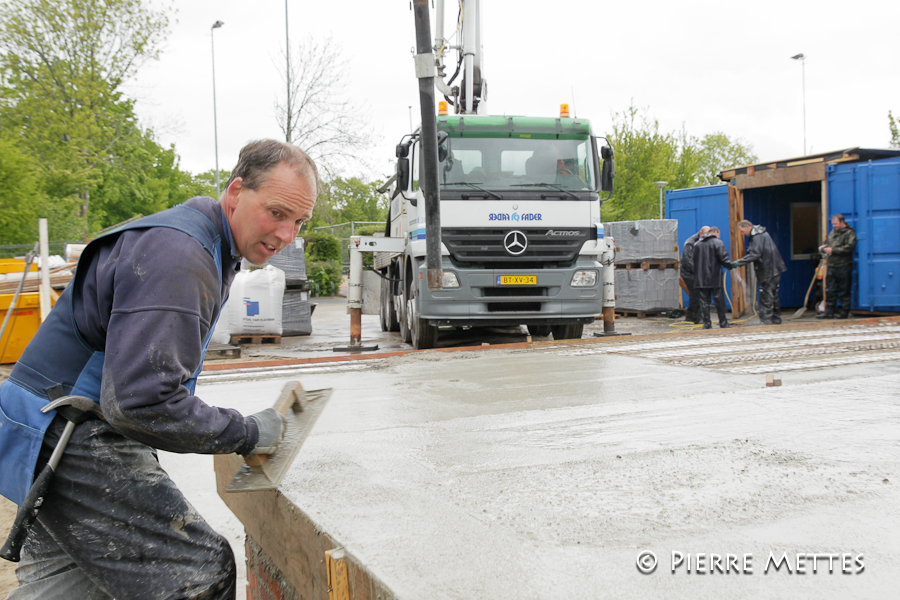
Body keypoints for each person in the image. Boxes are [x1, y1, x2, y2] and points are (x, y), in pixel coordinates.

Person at [0, 139, 318, 599]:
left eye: (299, 222)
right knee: (199, 573)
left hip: (46, 424)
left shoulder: (202, 243)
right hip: (68, 437)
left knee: (70, 584)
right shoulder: (181, 257)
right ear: (236, 192)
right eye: (276, 213)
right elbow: (141, 401)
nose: (287, 234)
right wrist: (247, 433)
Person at [730, 220, 787, 325]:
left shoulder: (757, 236)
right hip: (775, 267)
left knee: (766, 295)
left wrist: (737, 263)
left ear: (747, 227)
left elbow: (755, 254)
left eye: (742, 231)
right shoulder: (762, 233)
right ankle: (776, 318)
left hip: (768, 268)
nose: (743, 234)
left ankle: (766, 320)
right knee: (773, 294)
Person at [692, 226, 734, 329]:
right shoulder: (718, 243)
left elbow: (694, 261)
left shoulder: (697, 244)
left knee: (704, 301)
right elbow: (724, 259)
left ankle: (706, 323)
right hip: (715, 277)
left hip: (701, 278)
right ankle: (723, 323)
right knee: (719, 301)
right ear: (716, 232)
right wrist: (731, 266)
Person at [817, 214, 857, 319]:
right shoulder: (833, 232)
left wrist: (833, 250)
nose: (834, 225)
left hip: (844, 266)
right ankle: (829, 311)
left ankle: (844, 312)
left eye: (836, 223)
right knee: (830, 289)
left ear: (842, 222)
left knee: (844, 290)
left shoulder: (849, 233)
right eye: (833, 224)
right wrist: (823, 247)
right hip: (831, 265)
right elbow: (828, 243)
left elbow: (849, 248)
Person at [680, 225, 711, 324]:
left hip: (697, 272)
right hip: (689, 273)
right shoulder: (690, 243)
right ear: (701, 233)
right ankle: (698, 318)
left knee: (695, 295)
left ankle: (690, 316)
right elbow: (687, 261)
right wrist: (699, 272)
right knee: (696, 295)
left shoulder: (704, 241)